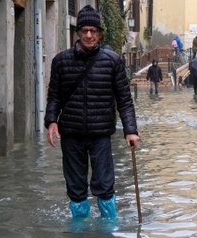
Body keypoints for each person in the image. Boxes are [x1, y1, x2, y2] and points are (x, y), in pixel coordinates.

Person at [44, 5, 139, 221]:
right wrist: (51, 121)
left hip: (101, 134)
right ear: (77, 33)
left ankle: (108, 227)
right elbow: (54, 96)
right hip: (71, 133)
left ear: (99, 34)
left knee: (105, 185)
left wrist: (130, 131)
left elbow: (124, 100)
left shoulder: (113, 61)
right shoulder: (61, 61)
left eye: (93, 31)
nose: (89, 35)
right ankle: (78, 228)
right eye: (84, 30)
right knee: (76, 187)